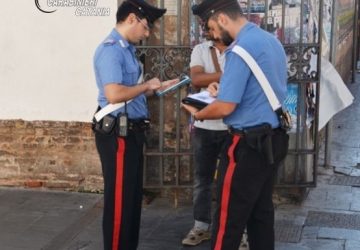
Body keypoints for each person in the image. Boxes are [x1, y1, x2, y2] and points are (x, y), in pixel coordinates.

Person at [182, 0, 289, 249]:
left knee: (228, 220)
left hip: (247, 145)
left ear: (221, 19)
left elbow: (226, 107)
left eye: (211, 28)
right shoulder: (269, 41)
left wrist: (197, 114)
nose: (213, 36)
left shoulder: (239, 49)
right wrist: (223, 92)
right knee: (261, 215)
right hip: (273, 137)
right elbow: (257, 91)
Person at [92, 1, 177, 249]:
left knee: (130, 199)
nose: (147, 32)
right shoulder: (111, 50)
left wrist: (157, 88)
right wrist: (146, 85)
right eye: (146, 26)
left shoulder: (127, 50)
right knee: (119, 201)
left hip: (131, 132)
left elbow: (132, 94)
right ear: (131, 18)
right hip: (117, 134)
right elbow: (114, 94)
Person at [182, 28, 229, 246]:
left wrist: (216, 79)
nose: (208, 29)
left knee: (231, 182)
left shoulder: (237, 50)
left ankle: (231, 227)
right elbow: (197, 78)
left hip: (231, 126)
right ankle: (201, 225)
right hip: (205, 125)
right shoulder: (200, 50)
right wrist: (230, 76)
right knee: (203, 179)